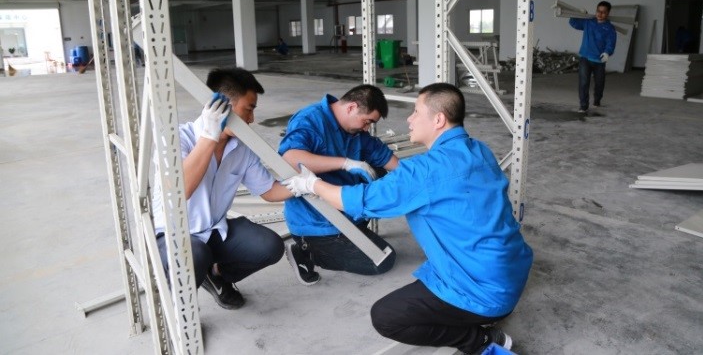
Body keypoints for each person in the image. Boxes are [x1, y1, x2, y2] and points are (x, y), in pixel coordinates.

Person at [283, 83, 533, 355]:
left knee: (386, 317)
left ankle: (481, 340)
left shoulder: (424, 171)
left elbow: (356, 199)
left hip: (481, 293)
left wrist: (311, 184)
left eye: (416, 112)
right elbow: (293, 155)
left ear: (438, 120)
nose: (409, 119)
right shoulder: (479, 150)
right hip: (512, 275)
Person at [152, 67, 292, 310]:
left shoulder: (241, 148)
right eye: (248, 109)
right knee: (194, 255)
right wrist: (210, 136)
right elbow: (180, 191)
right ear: (223, 106)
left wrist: (303, 184)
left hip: (214, 231)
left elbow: (269, 190)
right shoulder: (175, 139)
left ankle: (216, 274)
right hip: (173, 236)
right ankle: (179, 311)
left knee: (270, 246)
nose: (251, 119)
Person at [278, 84, 399, 285]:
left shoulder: (356, 132)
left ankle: (348, 233)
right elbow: (291, 159)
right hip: (317, 222)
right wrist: (345, 163)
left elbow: (390, 161)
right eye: (367, 121)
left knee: (380, 173)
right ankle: (305, 251)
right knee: (382, 261)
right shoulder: (310, 119)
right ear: (351, 107)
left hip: (345, 215)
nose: (366, 128)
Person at [569, 0, 616, 113]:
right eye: (598, 11)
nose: (600, 14)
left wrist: (607, 52)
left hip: (599, 60)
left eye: (603, 12)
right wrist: (577, 14)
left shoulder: (609, 28)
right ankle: (583, 106)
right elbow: (574, 24)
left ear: (608, 13)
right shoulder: (588, 22)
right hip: (585, 57)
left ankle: (597, 100)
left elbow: (611, 42)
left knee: (599, 83)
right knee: (584, 82)